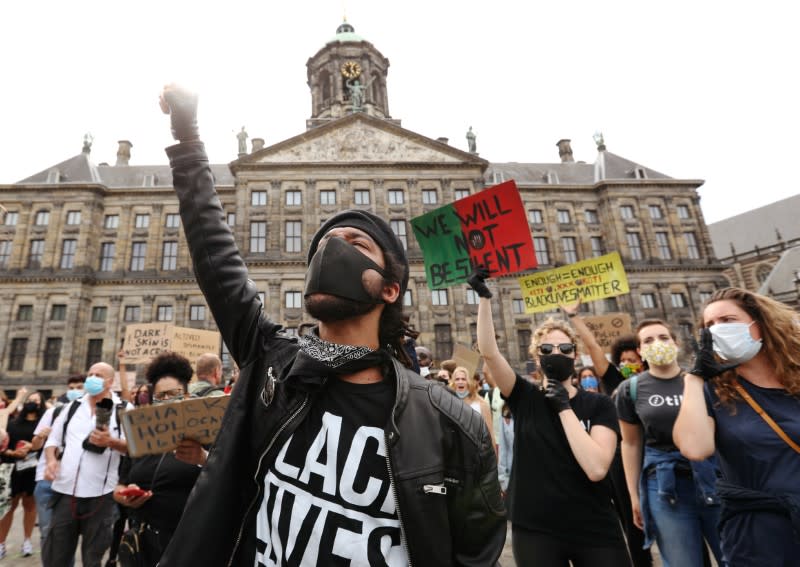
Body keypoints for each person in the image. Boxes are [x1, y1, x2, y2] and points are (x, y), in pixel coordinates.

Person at [156, 84, 506, 566]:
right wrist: (187, 137)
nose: (332, 251)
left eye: (356, 244)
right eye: (324, 244)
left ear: (391, 288)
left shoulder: (451, 421)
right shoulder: (271, 361)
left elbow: (475, 552)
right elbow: (212, 246)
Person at [471, 267, 630, 566]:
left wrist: (564, 408)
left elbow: (596, 468)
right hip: (536, 528)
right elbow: (490, 353)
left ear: (574, 355)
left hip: (595, 525)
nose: (556, 352)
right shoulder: (524, 396)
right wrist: (484, 299)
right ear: (537, 357)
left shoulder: (599, 405)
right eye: (547, 348)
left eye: (564, 347)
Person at [674, 287, 800, 566]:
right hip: (758, 537)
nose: (717, 329)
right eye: (709, 325)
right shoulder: (710, 391)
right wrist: (693, 379)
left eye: (728, 320)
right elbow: (695, 448)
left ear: (761, 325)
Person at [616, 319, 723, 567]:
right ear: (640, 351)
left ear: (676, 343)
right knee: (681, 562)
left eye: (664, 338)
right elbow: (630, 444)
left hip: (714, 479)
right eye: (648, 340)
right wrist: (635, 495)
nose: (657, 344)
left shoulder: (703, 381)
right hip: (664, 485)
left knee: (735, 556)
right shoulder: (629, 389)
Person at [561, 303, 652, 567]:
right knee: (631, 524)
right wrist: (574, 317)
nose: (626, 365)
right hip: (623, 461)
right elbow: (594, 350)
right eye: (621, 361)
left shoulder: (658, 380)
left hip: (658, 458)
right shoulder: (615, 381)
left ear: (643, 360)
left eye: (631, 361)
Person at [114, 352, 207, 566]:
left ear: (185, 395)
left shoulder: (204, 432)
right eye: (160, 396)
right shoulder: (139, 435)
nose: (166, 400)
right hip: (143, 545)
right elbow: (119, 485)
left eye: (173, 393)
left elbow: (226, 476)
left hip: (188, 544)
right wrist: (124, 496)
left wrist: (202, 457)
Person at [42, 362, 131, 567]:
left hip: (101, 495)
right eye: (90, 374)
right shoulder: (71, 407)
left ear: (110, 382)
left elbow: (133, 448)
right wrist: (51, 461)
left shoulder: (123, 409)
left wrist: (110, 442)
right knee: (56, 556)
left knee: (93, 558)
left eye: (97, 375)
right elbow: (53, 442)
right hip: (65, 491)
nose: (91, 378)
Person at [33, 377, 84, 563]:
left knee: (65, 536)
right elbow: (35, 445)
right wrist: (41, 436)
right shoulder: (53, 412)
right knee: (47, 532)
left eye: (79, 387)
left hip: (71, 483)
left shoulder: (89, 416)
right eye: (71, 388)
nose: (74, 391)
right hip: (46, 480)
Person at [0, 391, 46, 558]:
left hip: (32, 470)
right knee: (9, 508)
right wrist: (13, 453)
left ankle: (27, 541)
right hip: (12, 469)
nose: (32, 403)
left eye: (36, 400)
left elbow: (45, 448)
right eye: (30, 400)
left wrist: (32, 448)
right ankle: (1, 543)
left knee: (30, 507)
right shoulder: (12, 424)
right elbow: (4, 448)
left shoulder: (43, 425)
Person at [449, 366, 495, 447]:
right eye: (457, 379)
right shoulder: (448, 404)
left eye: (463, 379)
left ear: (469, 382)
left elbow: (490, 433)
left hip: (477, 452)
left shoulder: (481, 404)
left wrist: (494, 457)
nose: (460, 382)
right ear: (453, 383)